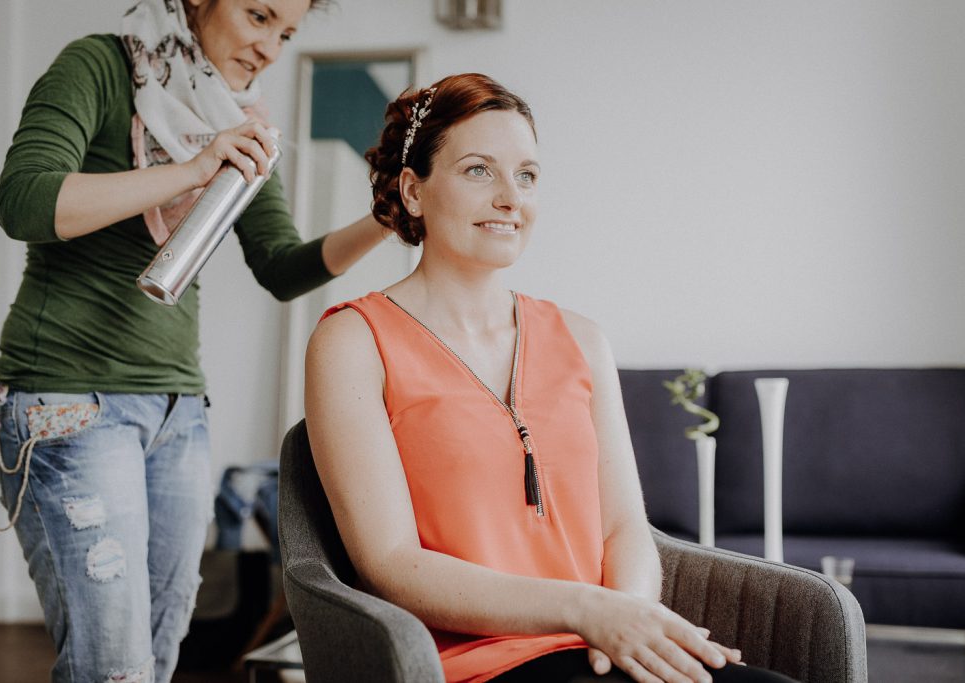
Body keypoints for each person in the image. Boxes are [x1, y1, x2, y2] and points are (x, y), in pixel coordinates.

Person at [304, 73, 800, 683]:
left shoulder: (583, 339)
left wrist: (632, 624)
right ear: (412, 190)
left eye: (528, 175)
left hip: (602, 652)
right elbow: (390, 562)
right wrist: (587, 609)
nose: (511, 197)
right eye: (479, 170)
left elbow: (624, 528)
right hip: (473, 666)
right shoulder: (353, 341)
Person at [0, 1, 386, 681]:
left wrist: (384, 220)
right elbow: (24, 200)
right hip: (69, 408)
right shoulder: (99, 67)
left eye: (286, 34)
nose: (269, 48)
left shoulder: (240, 121)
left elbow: (282, 265)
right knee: (115, 668)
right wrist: (193, 169)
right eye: (259, 15)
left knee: (158, 656)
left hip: (177, 416)